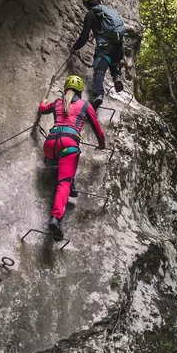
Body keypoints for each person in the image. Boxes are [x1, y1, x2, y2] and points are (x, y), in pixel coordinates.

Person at [37, 74, 106, 240]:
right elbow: (97, 128)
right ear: (80, 91)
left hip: (49, 146)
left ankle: (71, 182)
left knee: (63, 165)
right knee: (63, 184)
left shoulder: (58, 102)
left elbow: (42, 109)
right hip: (68, 145)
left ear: (66, 88)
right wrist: (102, 144)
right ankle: (56, 219)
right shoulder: (85, 105)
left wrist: (43, 102)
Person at [71, 0, 126, 107]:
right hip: (118, 48)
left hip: (104, 48)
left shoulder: (91, 14)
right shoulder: (108, 11)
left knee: (99, 70)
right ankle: (116, 77)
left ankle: (98, 95)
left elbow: (84, 36)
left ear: (86, 3)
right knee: (113, 62)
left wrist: (75, 47)